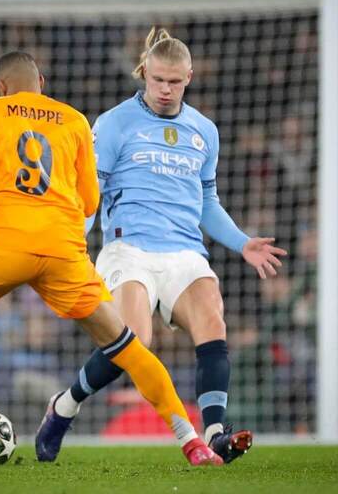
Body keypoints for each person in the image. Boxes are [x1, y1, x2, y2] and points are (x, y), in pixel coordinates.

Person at [0, 51, 221, 466]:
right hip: (64, 249)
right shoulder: (74, 120)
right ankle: (192, 441)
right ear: (42, 80)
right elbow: (91, 199)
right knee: (127, 346)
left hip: (3, 243)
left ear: (1, 87)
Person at [35, 28, 287, 463]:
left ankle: (214, 433)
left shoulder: (204, 132)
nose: (166, 90)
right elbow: (91, 192)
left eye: (175, 81)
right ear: (143, 73)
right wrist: (73, 242)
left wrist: (242, 242)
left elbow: (207, 200)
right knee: (134, 342)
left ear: (189, 76)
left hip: (185, 251)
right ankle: (64, 406)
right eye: (158, 81)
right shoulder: (113, 123)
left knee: (212, 317)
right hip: (126, 248)